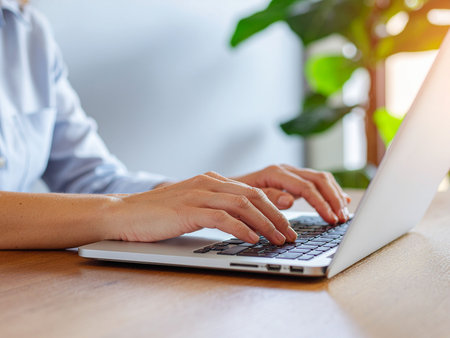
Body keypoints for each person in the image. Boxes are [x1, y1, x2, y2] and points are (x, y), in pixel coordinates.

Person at [0, 0, 350, 250]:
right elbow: (109, 205)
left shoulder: (27, 31)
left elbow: (92, 181)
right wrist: (120, 214)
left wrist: (208, 196)